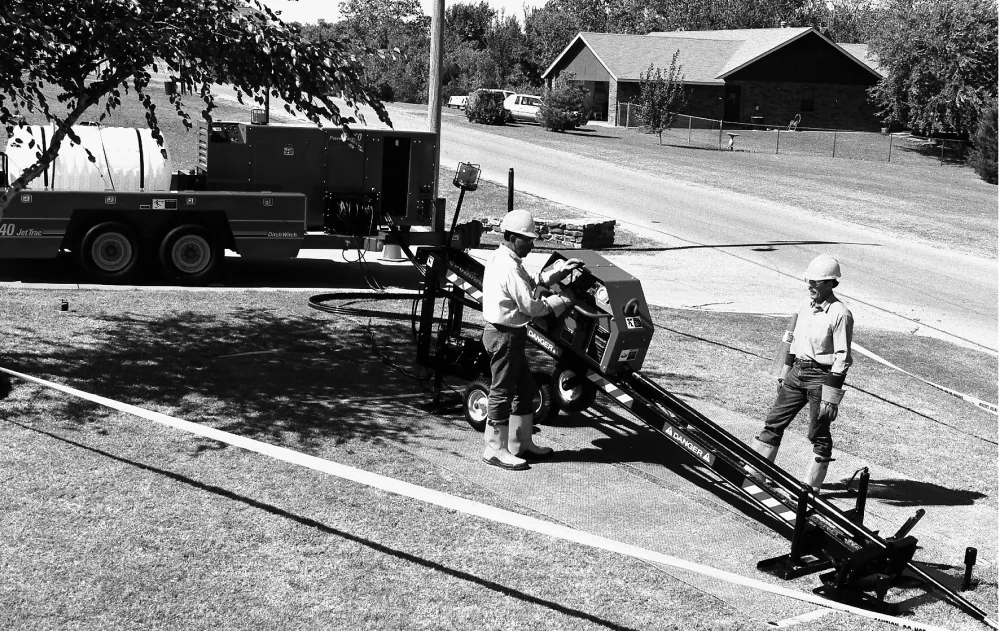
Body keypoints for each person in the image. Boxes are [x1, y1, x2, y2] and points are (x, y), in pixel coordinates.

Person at [480, 209, 585, 471]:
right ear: (513, 237)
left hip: (510, 335)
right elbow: (530, 305)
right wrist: (562, 300)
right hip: (504, 335)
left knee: (525, 390)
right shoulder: (508, 266)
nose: (532, 243)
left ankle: (520, 443)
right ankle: (495, 449)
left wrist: (559, 271)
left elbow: (532, 282)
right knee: (502, 392)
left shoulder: (508, 260)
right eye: (528, 239)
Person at [751, 254, 853, 493]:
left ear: (830, 283)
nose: (810, 286)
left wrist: (831, 395)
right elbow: (793, 339)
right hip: (797, 372)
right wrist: (785, 372)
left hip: (821, 378)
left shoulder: (840, 314)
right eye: (809, 281)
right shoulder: (804, 305)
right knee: (773, 422)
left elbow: (842, 357)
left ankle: (812, 487)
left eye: (815, 282)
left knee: (817, 433)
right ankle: (756, 472)